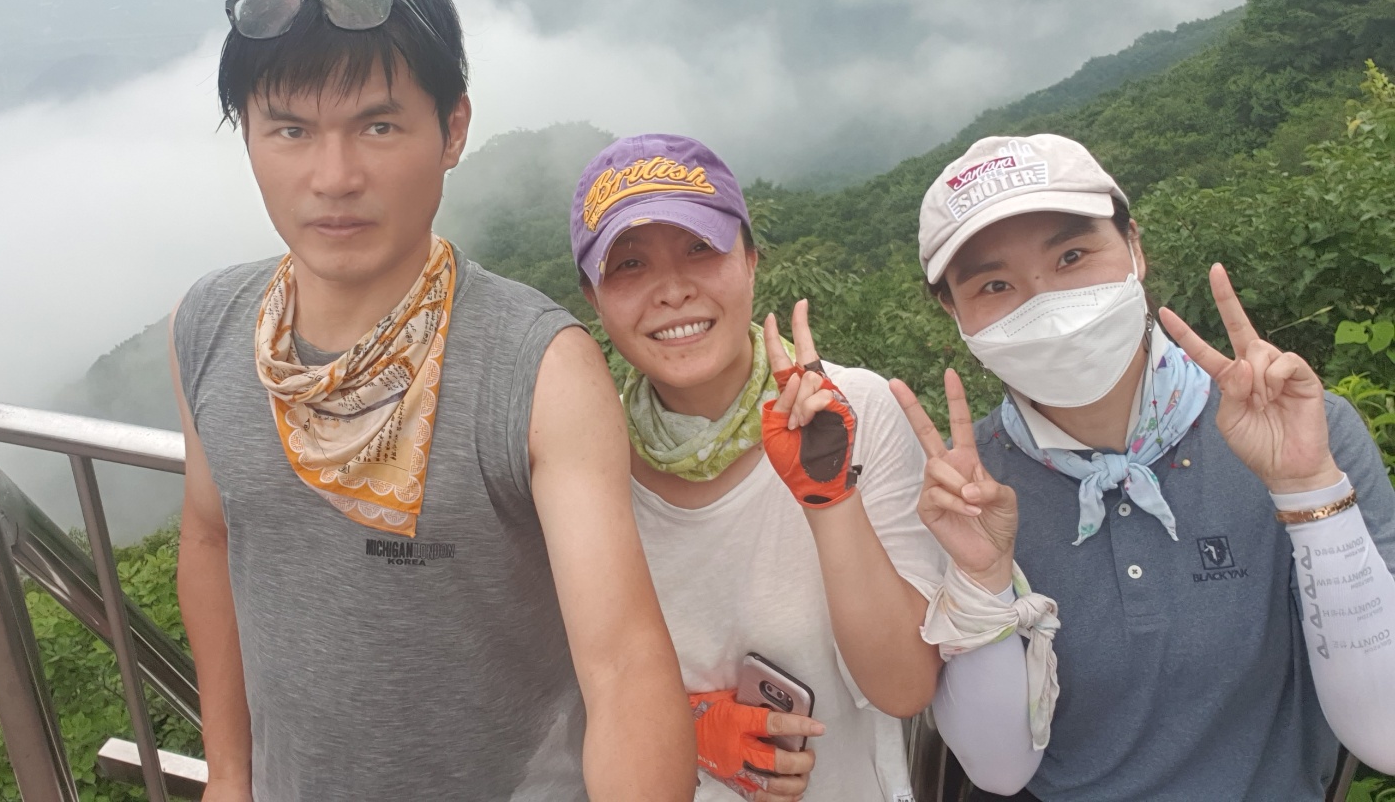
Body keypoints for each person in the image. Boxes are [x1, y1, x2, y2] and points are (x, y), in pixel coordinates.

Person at [170, 0, 694, 802]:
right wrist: (229, 775)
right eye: (290, 130)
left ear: (452, 131)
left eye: (378, 127)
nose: (334, 176)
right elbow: (210, 537)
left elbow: (625, 666)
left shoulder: (537, 368)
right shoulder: (208, 326)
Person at [569, 134, 1057, 801]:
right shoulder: (583, 466)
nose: (673, 290)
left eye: (700, 249)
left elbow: (905, 688)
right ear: (593, 297)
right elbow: (555, 689)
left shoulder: (851, 413)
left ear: (749, 261)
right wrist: (685, 727)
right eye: (629, 264)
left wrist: (830, 498)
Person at [915, 132, 1395, 801]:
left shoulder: (1302, 431)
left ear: (1134, 247)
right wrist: (981, 578)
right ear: (954, 311)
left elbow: (1386, 732)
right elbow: (998, 770)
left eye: (1072, 256)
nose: (1046, 304)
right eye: (996, 284)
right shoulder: (963, 497)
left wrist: (1305, 486)